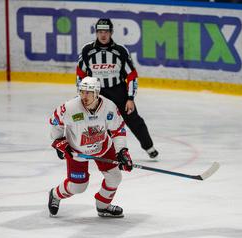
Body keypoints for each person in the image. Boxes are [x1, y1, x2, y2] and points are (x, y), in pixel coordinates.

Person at [48, 76, 133, 218]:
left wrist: (122, 151)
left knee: (115, 177)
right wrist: (59, 142)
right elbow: (55, 122)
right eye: (82, 91)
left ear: (97, 93)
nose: (84, 96)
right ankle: (55, 194)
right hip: (78, 151)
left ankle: (103, 206)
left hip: (103, 148)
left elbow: (118, 129)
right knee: (78, 187)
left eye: (88, 92)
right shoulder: (70, 107)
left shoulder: (109, 107)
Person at [76, 18, 159, 159]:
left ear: (111, 32)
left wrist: (130, 98)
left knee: (133, 120)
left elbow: (132, 76)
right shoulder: (87, 50)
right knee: (96, 122)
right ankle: (100, 151)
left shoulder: (120, 51)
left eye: (106, 32)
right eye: (100, 31)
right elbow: (80, 75)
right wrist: (83, 94)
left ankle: (149, 147)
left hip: (119, 92)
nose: (103, 35)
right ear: (96, 32)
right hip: (97, 94)